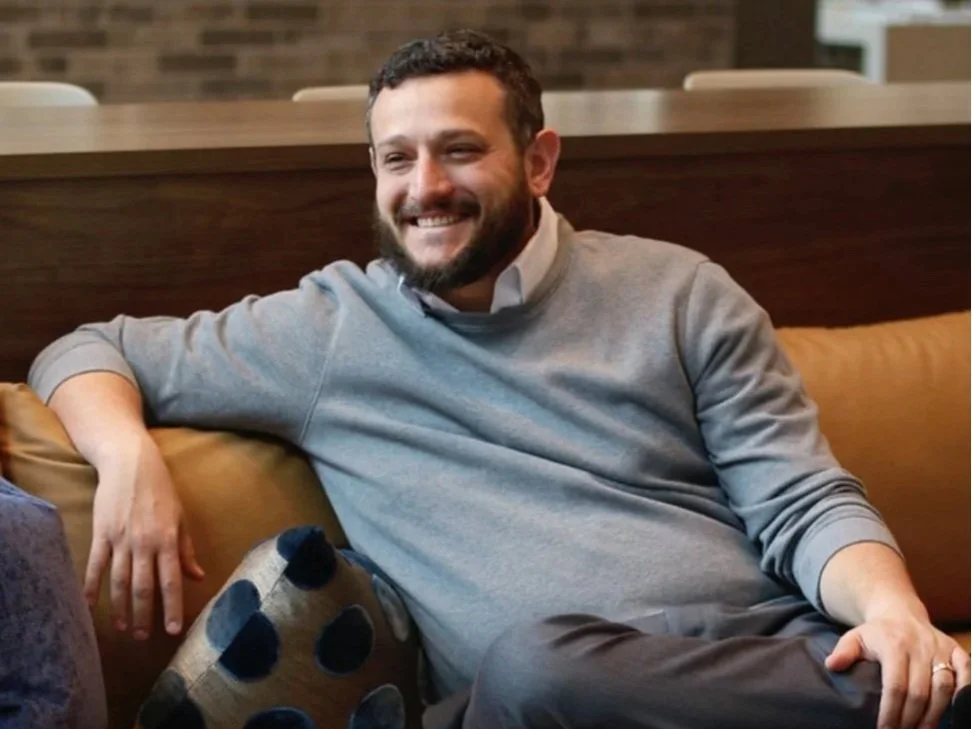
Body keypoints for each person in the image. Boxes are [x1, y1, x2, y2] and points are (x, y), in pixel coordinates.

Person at [28, 29, 968, 729]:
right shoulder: (330, 330)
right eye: (397, 159)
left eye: (461, 149)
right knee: (537, 668)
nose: (425, 186)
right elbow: (88, 347)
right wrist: (127, 461)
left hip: (768, 665)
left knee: (905, 674)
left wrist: (895, 614)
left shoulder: (680, 291)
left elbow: (800, 497)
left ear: (540, 160)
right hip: (552, 696)